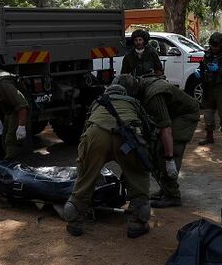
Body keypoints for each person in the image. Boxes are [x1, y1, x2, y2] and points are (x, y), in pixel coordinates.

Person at [60, 78, 153, 238]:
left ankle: (74, 218)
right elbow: (147, 128)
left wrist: (87, 161)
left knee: (85, 179)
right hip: (127, 138)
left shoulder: (97, 102)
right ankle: (137, 221)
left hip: (96, 134)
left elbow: (85, 128)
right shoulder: (133, 102)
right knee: (138, 176)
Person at [119, 73, 200, 208]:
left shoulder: (153, 95)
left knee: (167, 150)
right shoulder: (141, 86)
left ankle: (173, 196)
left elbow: (166, 129)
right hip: (172, 114)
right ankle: (165, 189)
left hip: (184, 115)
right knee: (154, 149)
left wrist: (169, 159)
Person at [196, 31, 222, 148]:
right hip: (208, 87)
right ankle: (209, 136)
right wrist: (200, 72)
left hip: (221, 87)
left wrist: (218, 69)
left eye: (216, 46)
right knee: (208, 113)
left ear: (221, 45)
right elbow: (203, 65)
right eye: (212, 46)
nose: (214, 48)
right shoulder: (208, 53)